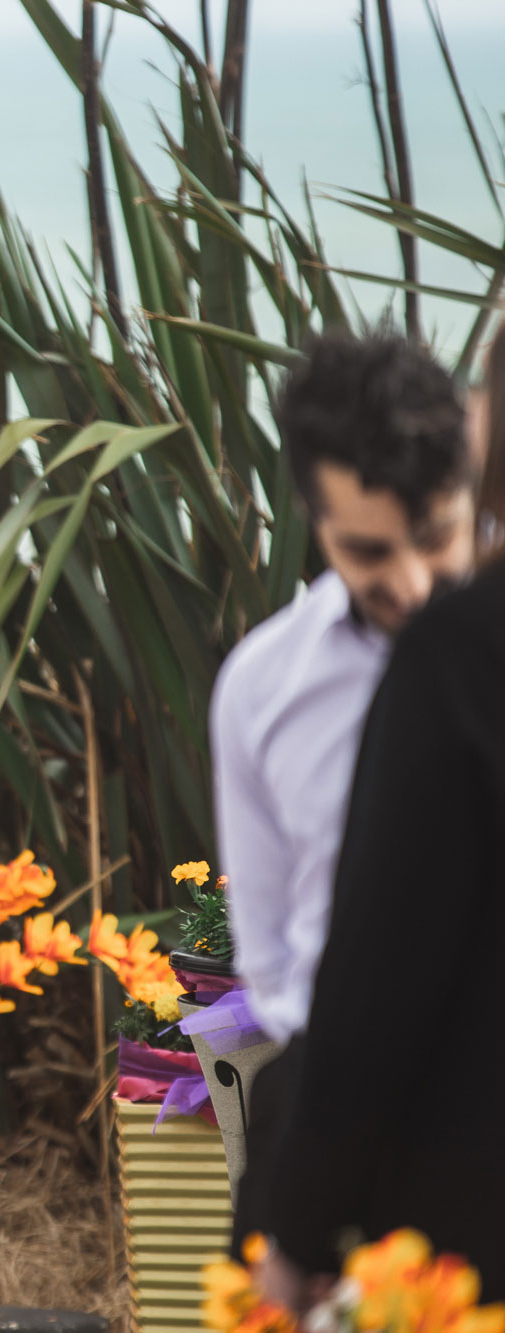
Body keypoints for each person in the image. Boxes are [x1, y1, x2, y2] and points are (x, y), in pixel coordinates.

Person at [257, 329, 505, 1305]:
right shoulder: (264, 686)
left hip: (459, 1206)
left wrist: (298, 1222)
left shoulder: (463, 649)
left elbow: (383, 965)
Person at [212, 332, 475, 1050]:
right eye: (370, 550)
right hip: (342, 1090)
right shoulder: (261, 687)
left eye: (435, 536)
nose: (414, 584)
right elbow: (266, 951)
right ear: (311, 514)